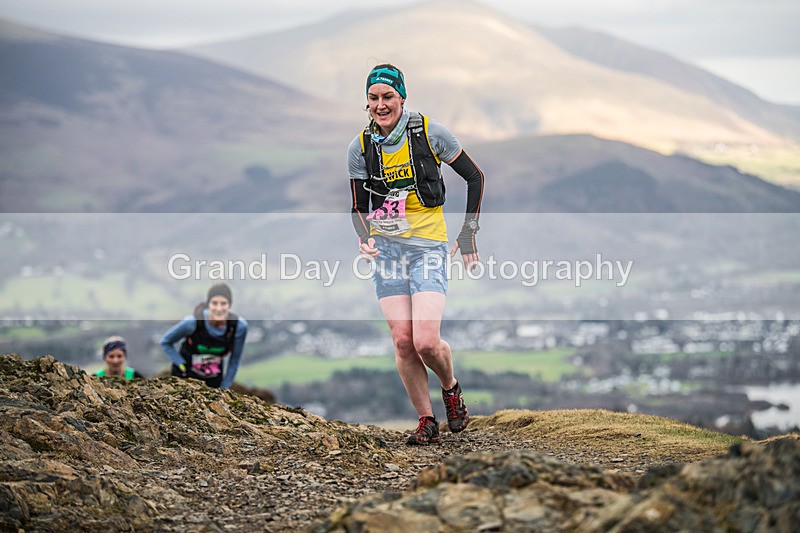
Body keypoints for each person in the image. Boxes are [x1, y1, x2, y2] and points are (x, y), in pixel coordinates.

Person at [348, 64, 485, 445]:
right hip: (387, 251)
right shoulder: (360, 147)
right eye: (373, 98)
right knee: (403, 342)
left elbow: (474, 177)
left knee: (426, 341)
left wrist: (468, 232)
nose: (380, 105)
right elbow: (358, 206)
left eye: (387, 96)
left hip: (428, 248)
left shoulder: (429, 132)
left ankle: (450, 387)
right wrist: (365, 238)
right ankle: (426, 420)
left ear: (402, 97)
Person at [160, 283, 248, 389]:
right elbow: (165, 342)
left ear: (229, 305)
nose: (219, 308)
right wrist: (180, 363)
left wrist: (225, 387)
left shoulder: (238, 326)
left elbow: (235, 360)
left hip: (213, 377)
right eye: (214, 303)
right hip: (185, 375)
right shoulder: (192, 322)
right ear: (208, 304)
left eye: (223, 303)